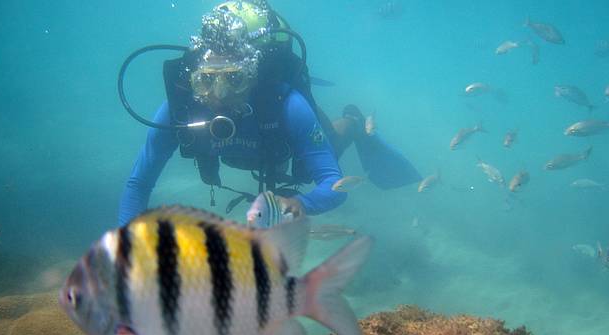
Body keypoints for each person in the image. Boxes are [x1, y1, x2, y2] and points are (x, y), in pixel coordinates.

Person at [118, 0, 420, 227]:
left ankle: (353, 123)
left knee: (313, 159)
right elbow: (138, 183)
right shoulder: (179, 109)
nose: (219, 95)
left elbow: (334, 186)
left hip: (281, 144)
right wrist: (126, 244)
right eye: (206, 80)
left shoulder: (286, 104)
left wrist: (296, 203)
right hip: (259, 149)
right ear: (193, 79)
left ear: (253, 76)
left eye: (234, 79)